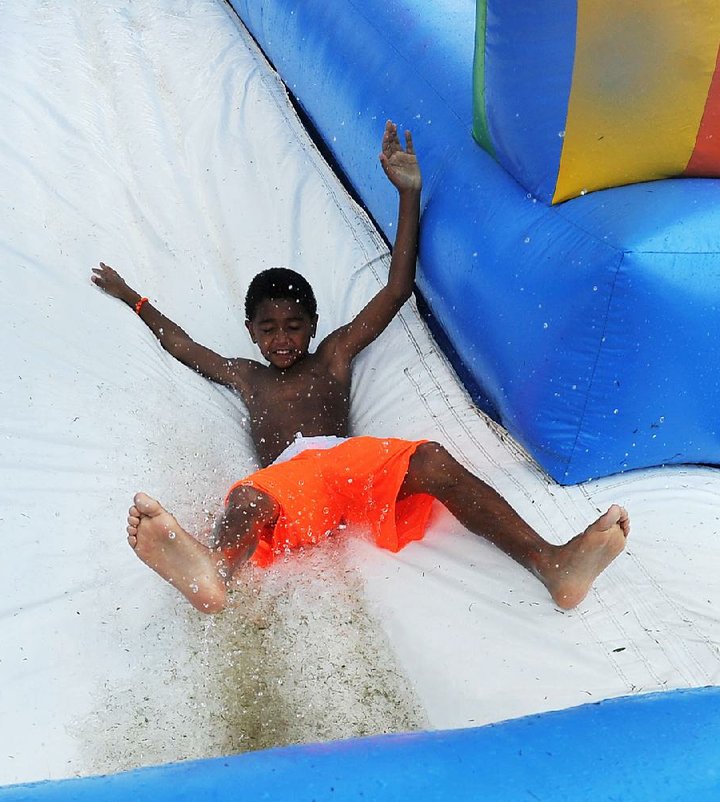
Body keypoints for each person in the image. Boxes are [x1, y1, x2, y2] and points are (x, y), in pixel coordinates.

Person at [91, 120, 629, 614]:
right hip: (290, 488)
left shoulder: (334, 354)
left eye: (294, 325)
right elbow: (183, 345)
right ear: (251, 331)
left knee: (433, 459)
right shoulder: (244, 375)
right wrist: (132, 297)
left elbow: (397, 289)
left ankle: (549, 562)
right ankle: (214, 571)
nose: (282, 338)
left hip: (352, 468)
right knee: (248, 496)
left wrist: (409, 193)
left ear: (315, 324)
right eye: (269, 328)